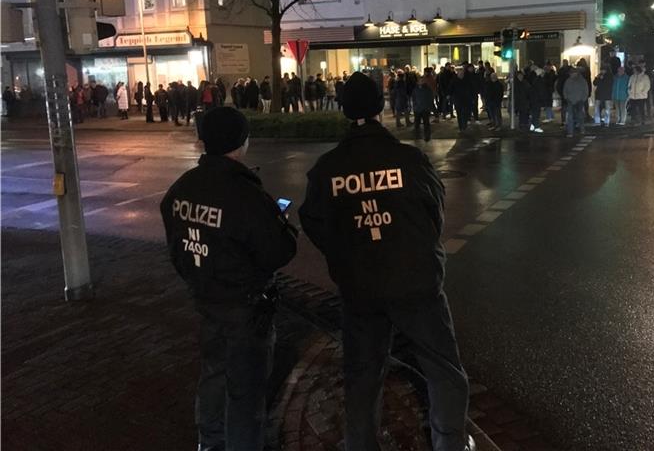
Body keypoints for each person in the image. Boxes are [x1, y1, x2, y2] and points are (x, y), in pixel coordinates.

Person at [298, 73, 474, 451]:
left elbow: (312, 221)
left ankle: (360, 445)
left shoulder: (328, 169)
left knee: (363, 375)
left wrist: (345, 253)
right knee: (445, 371)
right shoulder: (408, 159)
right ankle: (451, 444)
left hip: (360, 287)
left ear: (345, 110)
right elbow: (434, 213)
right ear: (382, 106)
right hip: (416, 283)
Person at [160, 107, 297, 451]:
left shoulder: (182, 188)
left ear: (203, 141)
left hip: (205, 297)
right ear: (242, 141)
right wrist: (280, 223)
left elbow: (176, 243)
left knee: (213, 375)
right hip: (245, 306)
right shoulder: (246, 194)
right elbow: (278, 252)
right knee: (246, 392)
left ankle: (209, 442)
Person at [563, 68, 588, 137]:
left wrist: (583, 99)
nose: (571, 75)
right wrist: (566, 98)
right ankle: (570, 132)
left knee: (580, 115)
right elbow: (565, 90)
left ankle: (582, 129)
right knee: (570, 117)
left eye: (572, 73)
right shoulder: (568, 81)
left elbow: (586, 91)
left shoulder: (582, 81)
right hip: (570, 100)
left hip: (579, 101)